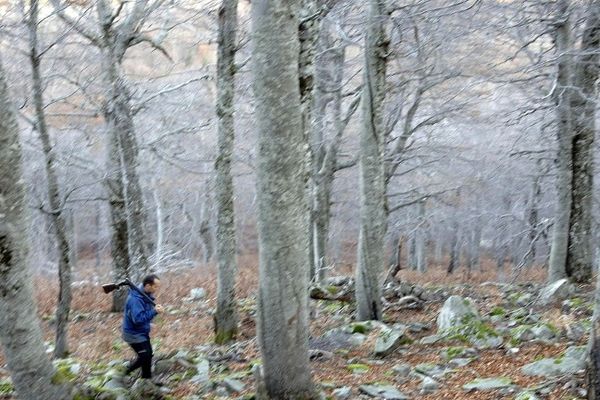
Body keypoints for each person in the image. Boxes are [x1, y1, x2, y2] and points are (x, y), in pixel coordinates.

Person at [122, 274, 164, 380]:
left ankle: (147, 380)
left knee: (148, 355)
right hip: (133, 334)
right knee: (144, 356)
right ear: (148, 286)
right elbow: (138, 319)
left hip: (141, 332)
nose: (157, 289)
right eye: (155, 286)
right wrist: (154, 311)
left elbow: (144, 312)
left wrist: (151, 315)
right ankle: (125, 372)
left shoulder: (143, 293)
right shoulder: (135, 299)